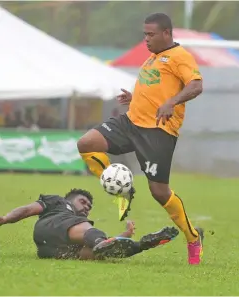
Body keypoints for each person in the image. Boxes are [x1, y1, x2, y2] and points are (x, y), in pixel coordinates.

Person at [77, 13, 204, 265]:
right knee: (86, 143)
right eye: (144, 34)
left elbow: (196, 85)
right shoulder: (152, 58)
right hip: (130, 122)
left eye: (151, 34)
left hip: (158, 131)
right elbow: (157, 88)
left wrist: (172, 102)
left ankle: (192, 238)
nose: (146, 39)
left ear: (167, 33)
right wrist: (135, 98)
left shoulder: (180, 57)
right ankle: (120, 189)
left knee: (159, 192)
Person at [0, 188, 179, 260]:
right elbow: (28, 209)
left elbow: (107, 245)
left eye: (89, 206)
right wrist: (6, 218)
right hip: (51, 227)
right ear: (70, 199)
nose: (86, 207)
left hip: (49, 250)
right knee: (94, 236)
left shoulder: (79, 224)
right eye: (83, 202)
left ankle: (142, 245)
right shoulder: (59, 203)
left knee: (99, 254)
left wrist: (125, 235)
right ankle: (119, 243)